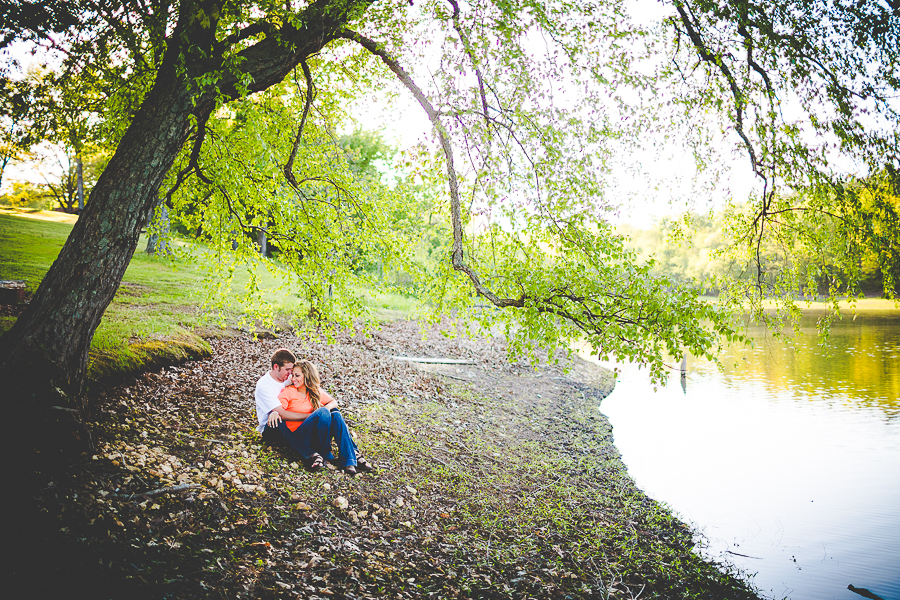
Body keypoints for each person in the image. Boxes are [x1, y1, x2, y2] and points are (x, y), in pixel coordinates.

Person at [255, 348, 373, 475]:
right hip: (273, 428)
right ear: (276, 367)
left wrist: (324, 410)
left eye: (293, 372)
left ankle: (351, 455)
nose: (291, 375)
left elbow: (320, 393)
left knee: (335, 413)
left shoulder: (290, 379)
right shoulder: (265, 385)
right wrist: (313, 415)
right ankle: (313, 454)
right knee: (282, 421)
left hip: (303, 426)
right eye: (288, 370)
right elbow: (281, 413)